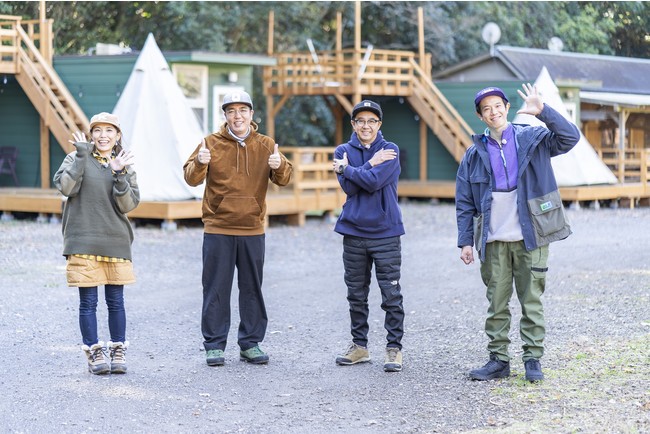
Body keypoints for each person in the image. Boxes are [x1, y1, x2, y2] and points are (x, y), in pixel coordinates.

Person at [456, 84, 580, 382]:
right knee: (496, 305)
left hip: (531, 236)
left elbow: (570, 138)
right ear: (480, 116)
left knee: (531, 301)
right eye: (487, 109)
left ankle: (532, 360)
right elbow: (464, 202)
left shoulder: (532, 139)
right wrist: (465, 242)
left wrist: (543, 111)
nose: (493, 112)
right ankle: (498, 360)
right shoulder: (473, 155)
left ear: (507, 108)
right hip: (492, 240)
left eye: (498, 106)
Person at [183, 90, 293, 367]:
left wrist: (279, 165)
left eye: (243, 110)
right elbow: (190, 178)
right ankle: (214, 346)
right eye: (231, 111)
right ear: (225, 115)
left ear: (251, 114)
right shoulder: (210, 143)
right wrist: (200, 162)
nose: (237, 116)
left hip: (252, 228)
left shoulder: (266, 145)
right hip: (218, 227)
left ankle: (250, 344)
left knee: (252, 288)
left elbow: (285, 178)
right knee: (215, 288)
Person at [53, 112, 139, 375]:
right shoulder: (75, 157)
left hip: (115, 240)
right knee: (88, 302)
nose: (103, 136)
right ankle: (93, 351)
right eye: (98, 130)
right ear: (91, 135)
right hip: (83, 240)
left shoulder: (124, 163)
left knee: (116, 302)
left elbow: (128, 205)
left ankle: (118, 349)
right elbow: (67, 188)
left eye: (109, 130)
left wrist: (119, 173)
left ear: (118, 135)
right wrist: (81, 156)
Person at [332, 99, 406, 372]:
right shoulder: (342, 150)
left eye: (371, 121)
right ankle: (359, 347)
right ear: (353, 125)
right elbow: (350, 189)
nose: (366, 126)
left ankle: (394, 348)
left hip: (386, 233)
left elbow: (373, 182)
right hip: (353, 233)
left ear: (379, 124)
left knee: (391, 294)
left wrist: (348, 169)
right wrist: (368, 165)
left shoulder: (390, 150)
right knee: (356, 294)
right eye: (361, 121)